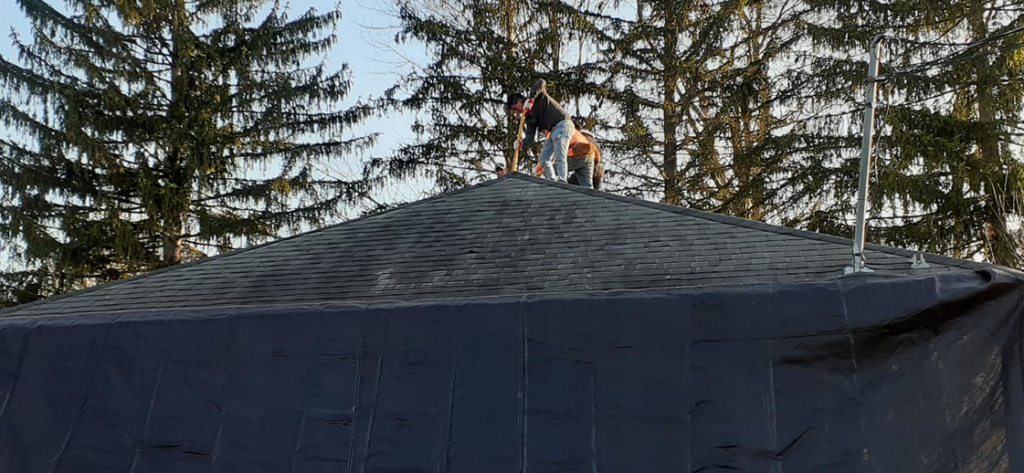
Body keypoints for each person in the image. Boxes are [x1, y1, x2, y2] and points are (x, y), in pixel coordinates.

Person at [506, 79, 578, 185]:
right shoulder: (529, 117)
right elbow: (530, 137)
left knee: (559, 156)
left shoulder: (538, 97)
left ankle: (562, 182)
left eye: (515, 108)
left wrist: (531, 99)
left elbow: (541, 82)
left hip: (562, 124)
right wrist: (521, 143)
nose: (517, 112)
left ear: (519, 101)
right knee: (543, 159)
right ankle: (552, 182)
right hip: (553, 131)